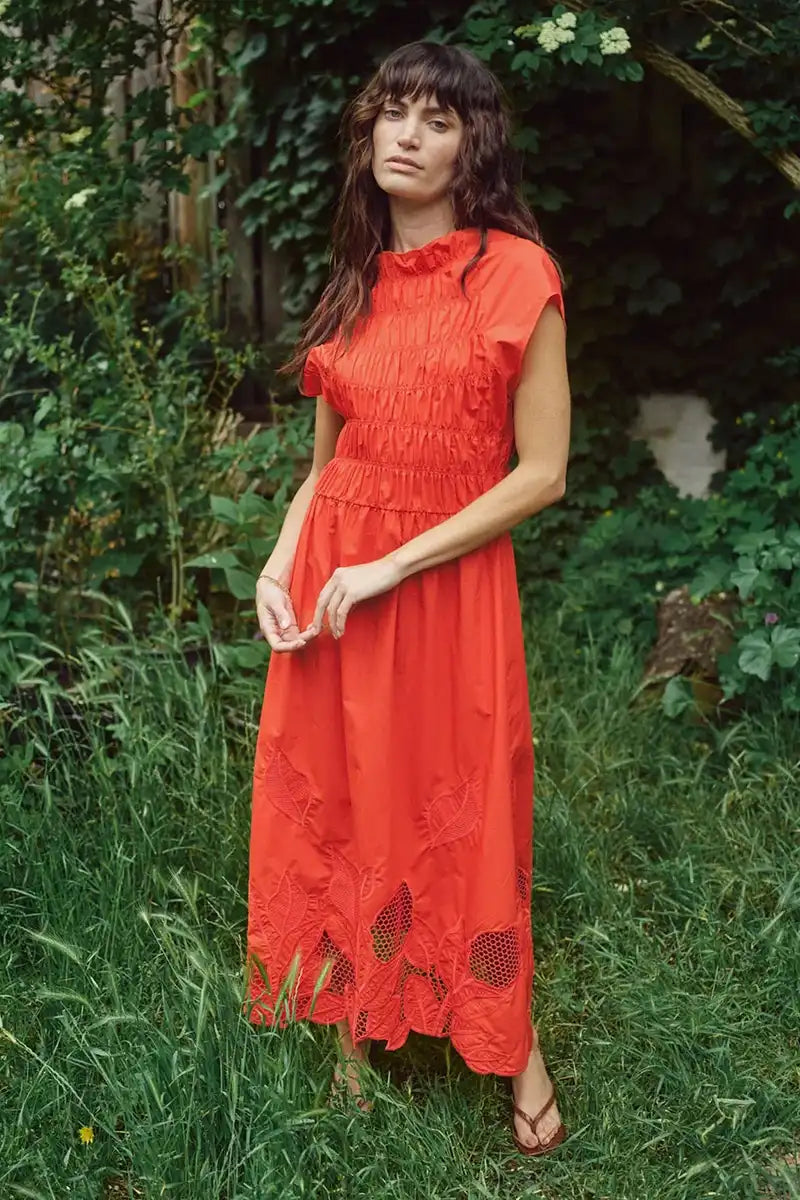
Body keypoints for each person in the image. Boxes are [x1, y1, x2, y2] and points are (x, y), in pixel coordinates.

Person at [244, 39, 571, 1157]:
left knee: (462, 799)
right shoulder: (354, 282)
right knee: (341, 797)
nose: (405, 133)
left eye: (435, 119)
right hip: (335, 585)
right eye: (390, 111)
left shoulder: (516, 273)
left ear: (474, 143)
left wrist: (392, 564)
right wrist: (278, 557)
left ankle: (507, 1037)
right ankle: (354, 1027)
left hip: (438, 586)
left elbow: (541, 473)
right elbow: (324, 462)